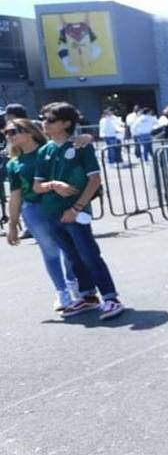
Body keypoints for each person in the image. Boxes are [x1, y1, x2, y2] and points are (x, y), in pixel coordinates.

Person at [32, 102, 126, 320]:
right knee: (73, 256)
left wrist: (76, 208)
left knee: (88, 253)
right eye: (43, 118)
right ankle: (87, 296)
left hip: (75, 212)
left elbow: (94, 180)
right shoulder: (45, 151)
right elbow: (37, 186)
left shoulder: (81, 146)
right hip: (52, 212)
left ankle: (110, 297)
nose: (44, 123)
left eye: (50, 119)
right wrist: (54, 185)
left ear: (66, 123)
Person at [5, 118, 93, 314]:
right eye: (7, 133)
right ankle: (61, 291)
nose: (10, 136)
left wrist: (87, 137)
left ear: (29, 132)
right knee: (50, 251)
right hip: (33, 209)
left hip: (56, 204)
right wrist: (12, 224)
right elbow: (16, 195)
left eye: (14, 131)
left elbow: (75, 142)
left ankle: (74, 284)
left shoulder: (48, 150)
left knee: (70, 249)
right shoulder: (13, 164)